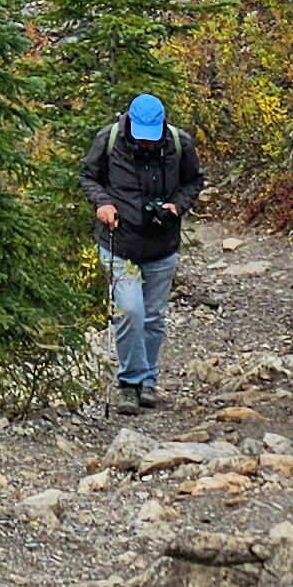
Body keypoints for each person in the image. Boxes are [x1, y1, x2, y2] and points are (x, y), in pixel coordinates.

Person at [78, 90, 201, 415]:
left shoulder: (179, 144)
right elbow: (87, 176)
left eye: (151, 136)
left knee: (153, 317)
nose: (146, 143)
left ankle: (147, 381)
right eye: (141, 136)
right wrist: (102, 203)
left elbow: (194, 182)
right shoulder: (109, 139)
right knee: (130, 312)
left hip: (162, 245)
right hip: (120, 243)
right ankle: (129, 384)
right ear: (129, 122)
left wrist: (178, 205)